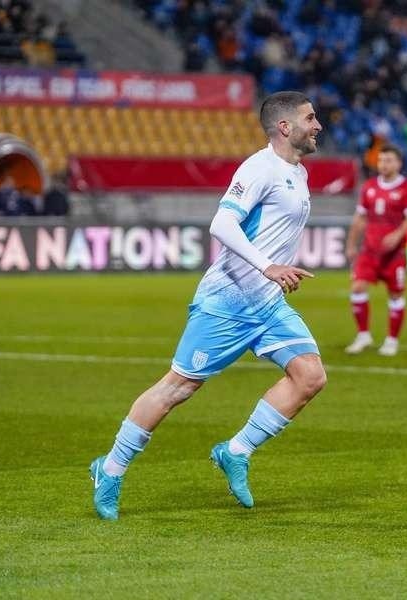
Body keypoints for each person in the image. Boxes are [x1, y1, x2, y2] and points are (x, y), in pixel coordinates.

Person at [89, 91, 326, 520]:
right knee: (178, 388)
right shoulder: (259, 168)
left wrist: (273, 271)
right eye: (311, 118)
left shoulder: (298, 172)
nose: (318, 125)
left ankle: (235, 451)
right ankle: (109, 469)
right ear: (285, 126)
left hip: (268, 304)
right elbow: (221, 223)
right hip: (228, 301)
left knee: (309, 376)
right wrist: (267, 265)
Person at [344, 144, 407, 356]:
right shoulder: (369, 186)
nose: (383, 164)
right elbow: (360, 218)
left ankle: (392, 340)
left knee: (395, 294)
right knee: (357, 287)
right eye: (381, 160)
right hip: (369, 251)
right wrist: (351, 244)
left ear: (398, 163)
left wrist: (397, 235)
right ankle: (363, 335)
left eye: (388, 160)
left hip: (394, 254)